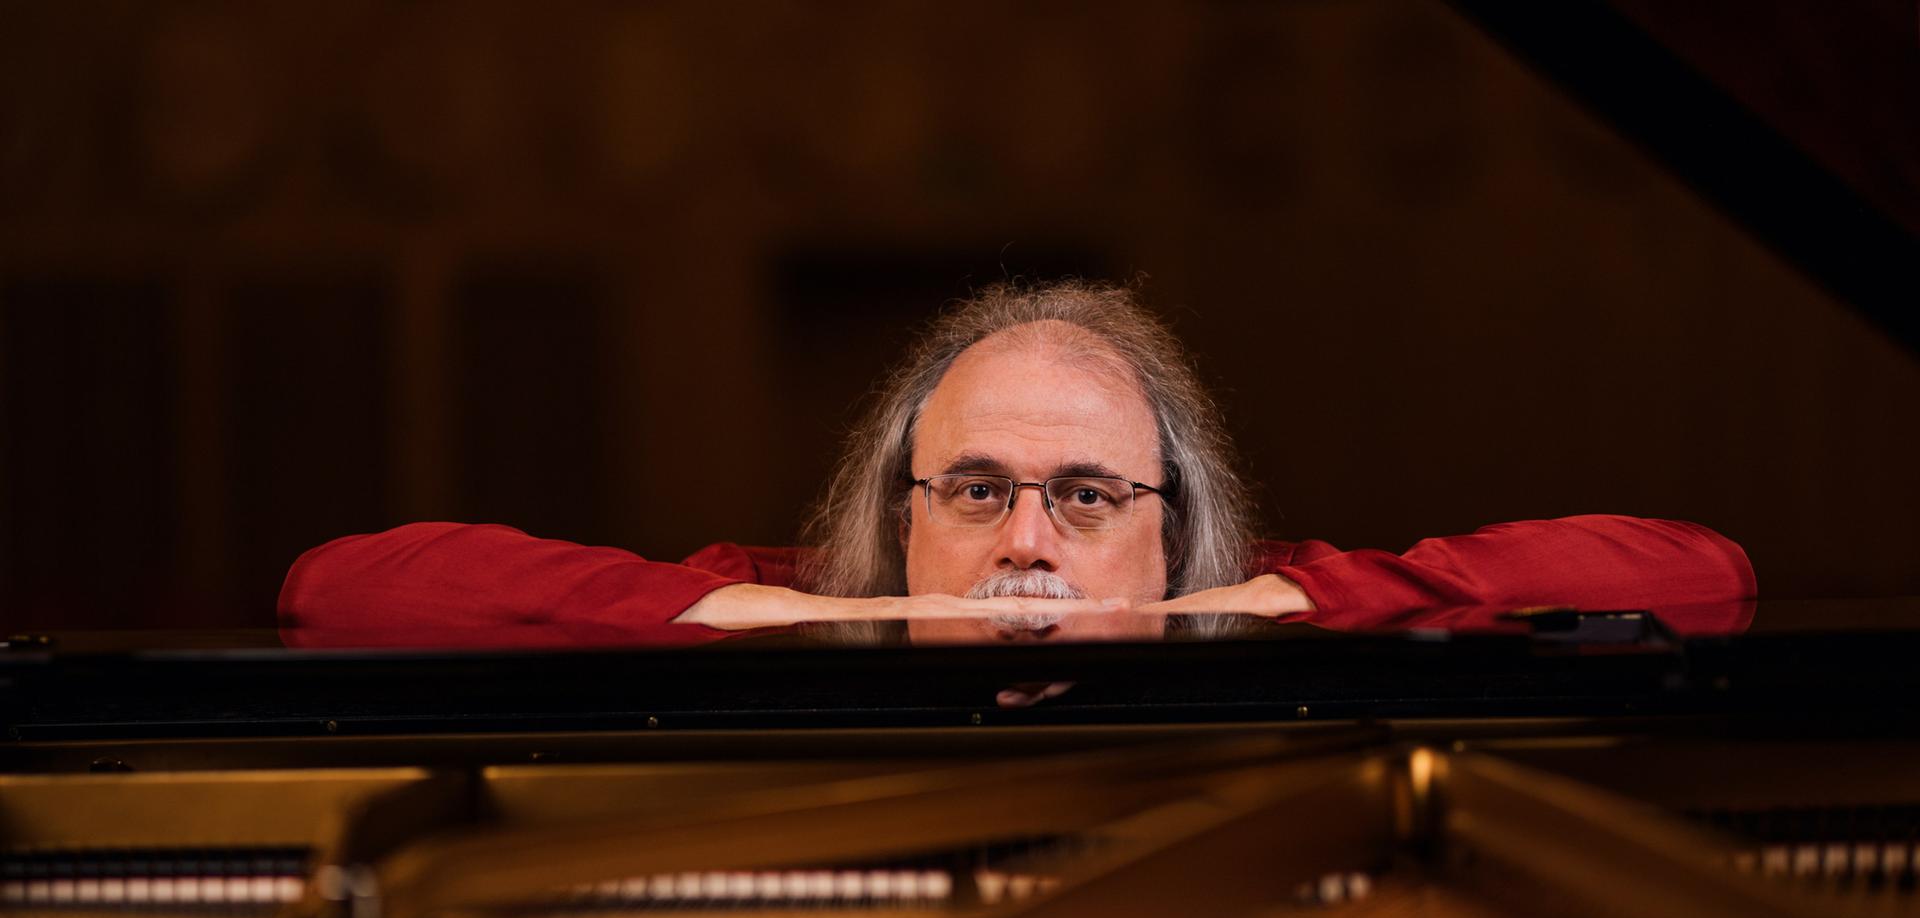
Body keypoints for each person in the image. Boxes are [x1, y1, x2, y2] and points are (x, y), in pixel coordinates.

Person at [279, 280, 1755, 646]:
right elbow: (335, 589)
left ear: (1173, 532)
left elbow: (1706, 573)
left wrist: (1234, 617)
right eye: (976, 491)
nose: (1026, 540)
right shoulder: (776, 602)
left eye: (1089, 496)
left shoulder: (1264, 604)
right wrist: (828, 625)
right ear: (900, 511)